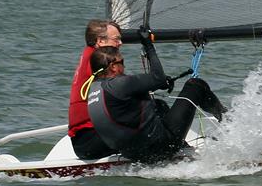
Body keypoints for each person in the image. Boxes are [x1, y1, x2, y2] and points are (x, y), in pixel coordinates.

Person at [86, 31, 226, 164]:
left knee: (158, 105)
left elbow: (132, 96)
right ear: (113, 67)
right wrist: (148, 44)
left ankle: (182, 145)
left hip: (134, 154)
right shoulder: (120, 84)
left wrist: (161, 83)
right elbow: (158, 79)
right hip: (161, 148)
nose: (124, 66)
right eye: (121, 63)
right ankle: (229, 121)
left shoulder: (94, 90)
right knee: (195, 85)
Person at [68, 19, 122, 160]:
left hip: (83, 139)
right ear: (100, 41)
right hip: (91, 140)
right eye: (116, 39)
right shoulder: (97, 60)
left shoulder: (89, 55)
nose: (120, 43)